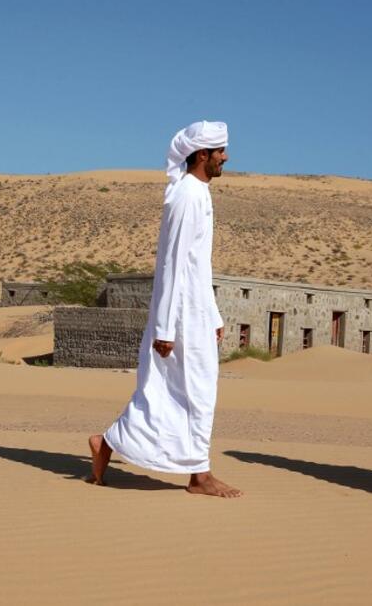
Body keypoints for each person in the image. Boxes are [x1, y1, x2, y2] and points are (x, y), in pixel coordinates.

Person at [88, 120, 241, 498]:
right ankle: (196, 475)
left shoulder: (198, 194)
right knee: (179, 391)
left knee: (194, 392)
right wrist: (164, 328)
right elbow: (172, 264)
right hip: (180, 315)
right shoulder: (187, 195)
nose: (226, 156)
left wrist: (214, 315)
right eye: (220, 150)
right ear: (202, 155)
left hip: (196, 311)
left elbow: (198, 265)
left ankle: (112, 446)